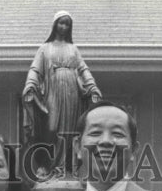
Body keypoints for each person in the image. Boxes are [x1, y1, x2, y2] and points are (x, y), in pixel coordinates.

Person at [22, 10, 102, 179]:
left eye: (67, 24)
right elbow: (35, 70)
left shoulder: (73, 49)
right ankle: (48, 165)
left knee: (70, 130)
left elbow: (83, 70)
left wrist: (93, 87)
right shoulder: (45, 49)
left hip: (72, 92)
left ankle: (67, 168)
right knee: (51, 128)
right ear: (55, 25)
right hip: (53, 90)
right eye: (61, 22)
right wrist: (30, 85)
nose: (64, 26)